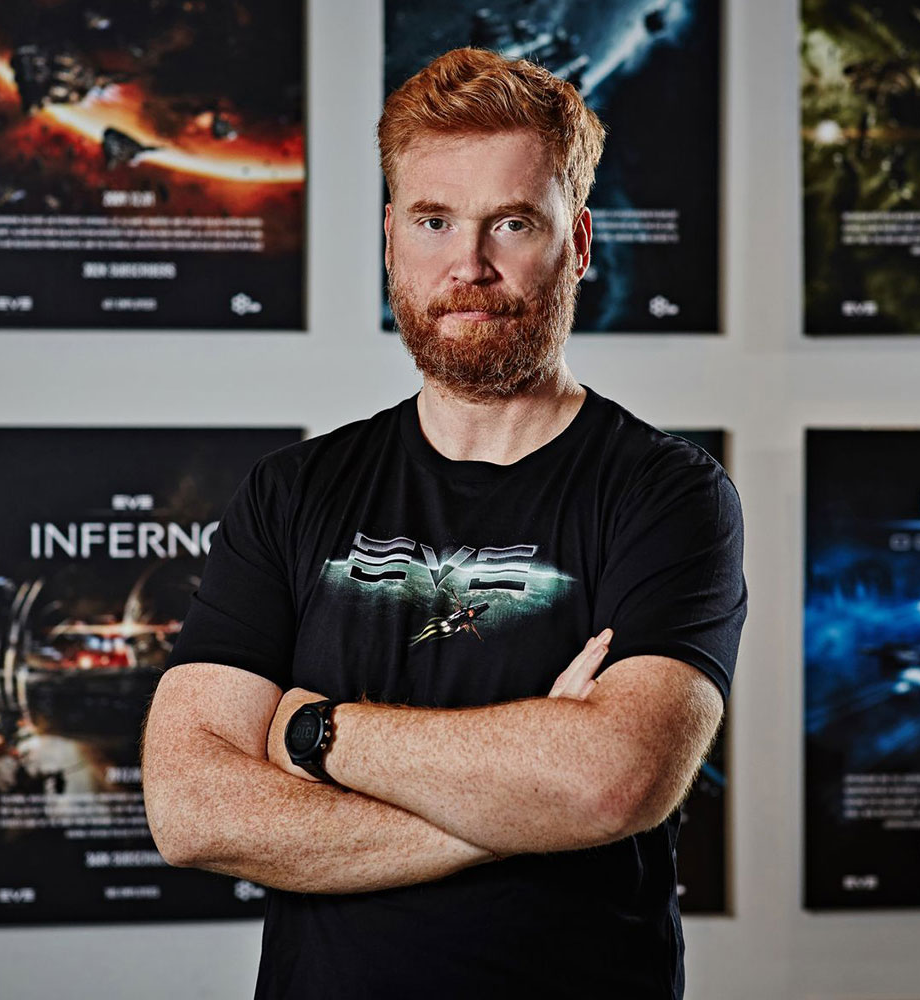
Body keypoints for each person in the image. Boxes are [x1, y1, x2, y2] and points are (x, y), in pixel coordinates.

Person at [141, 47, 746, 1000]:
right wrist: (521, 802)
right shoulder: (293, 491)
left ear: (579, 243)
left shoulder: (667, 494)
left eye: (513, 222)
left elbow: (613, 782)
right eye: (434, 221)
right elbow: (190, 807)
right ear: (391, 239)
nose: (469, 265)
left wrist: (312, 732)